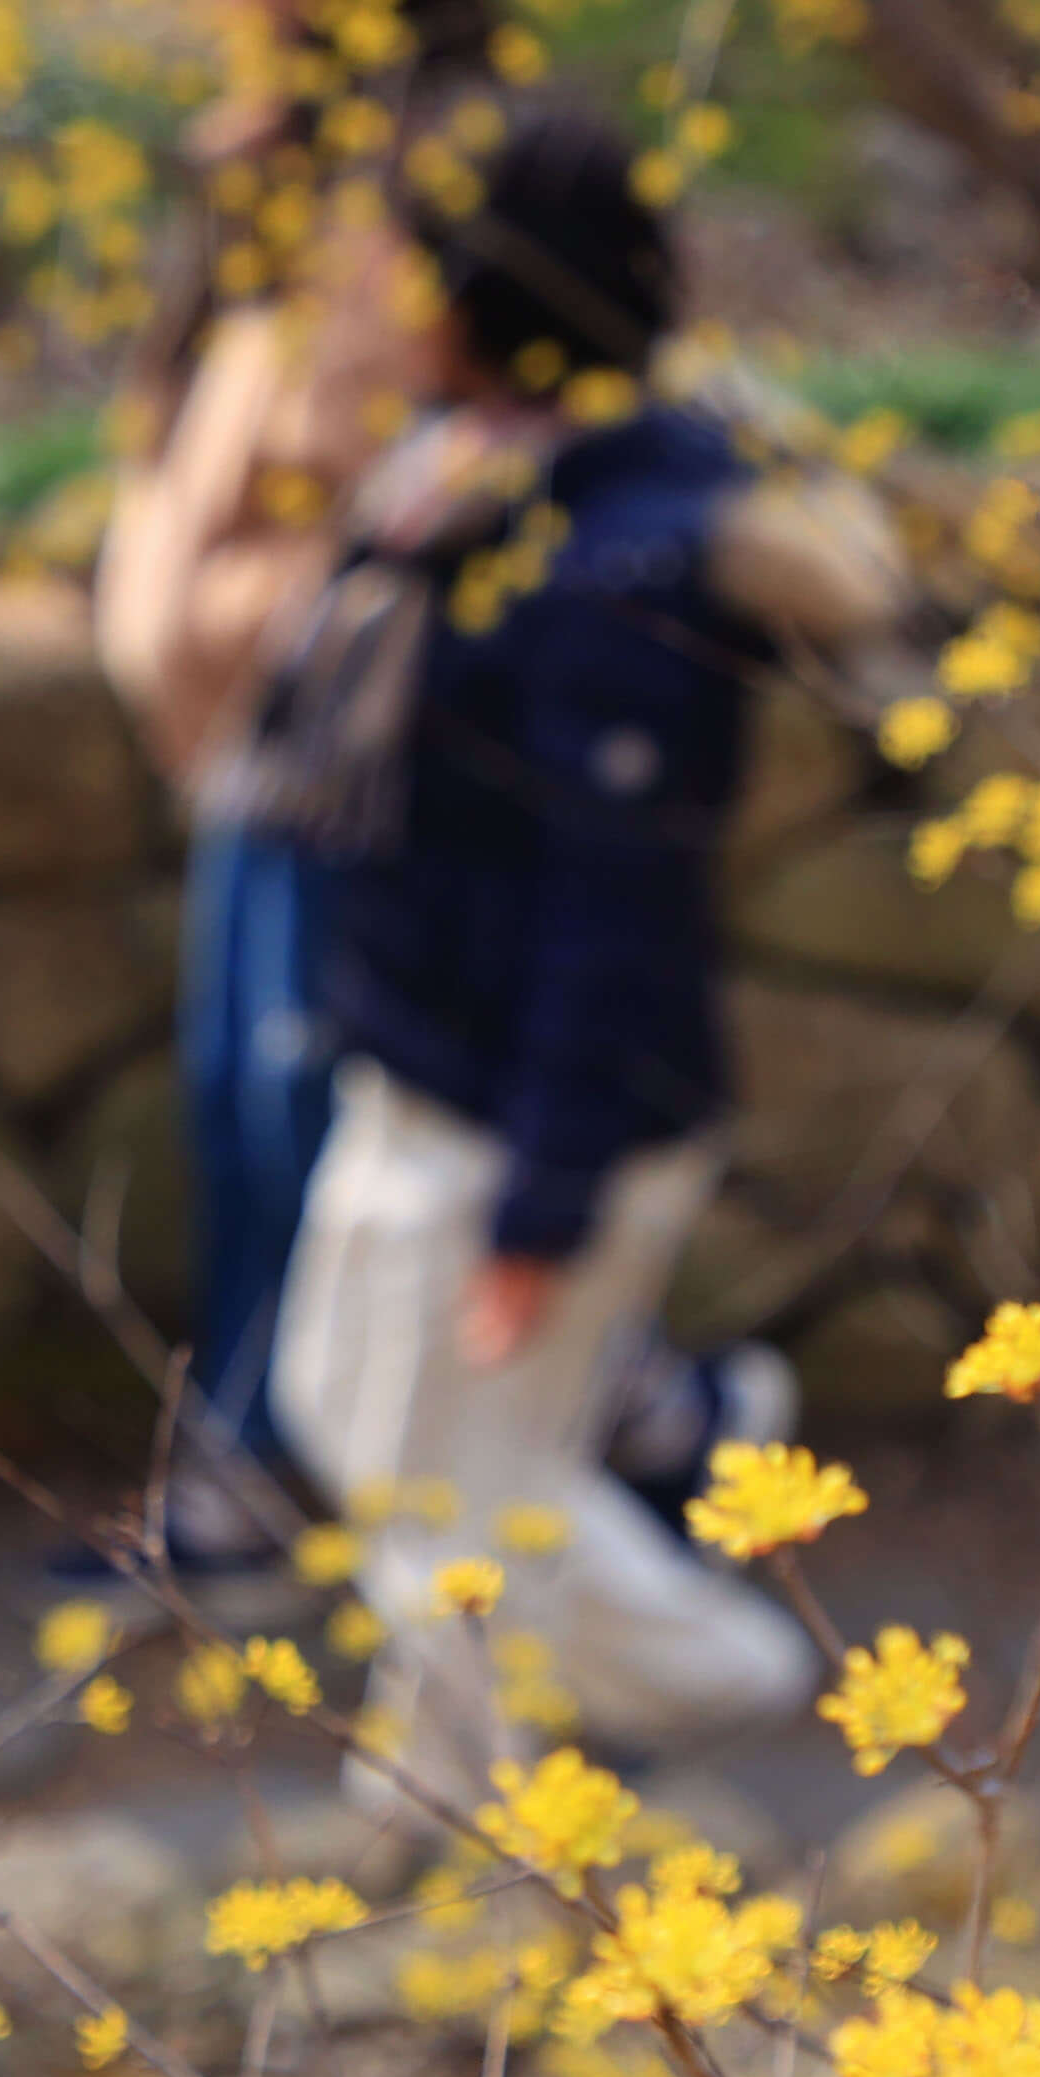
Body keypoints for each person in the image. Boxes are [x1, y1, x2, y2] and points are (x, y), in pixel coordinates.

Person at [259, 95, 885, 1820]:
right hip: (428, 1062)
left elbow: (616, 915)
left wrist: (542, 1210)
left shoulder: (614, 564)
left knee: (437, 1492)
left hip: (521, 1110)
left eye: (403, 259)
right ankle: (716, 1659)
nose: (371, 290)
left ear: (480, 294)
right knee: (369, 1424)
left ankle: (455, 1803)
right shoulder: (480, 479)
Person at [91, 0, 495, 1581]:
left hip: (365, 723)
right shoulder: (265, 165)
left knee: (308, 1101)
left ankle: (282, 1468)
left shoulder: (443, 174)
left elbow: (386, 456)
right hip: (255, 727)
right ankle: (271, 1457)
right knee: (245, 1097)